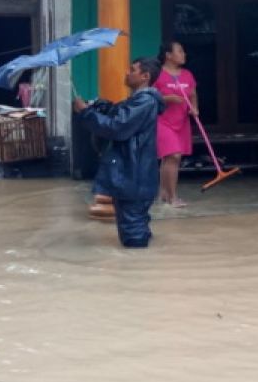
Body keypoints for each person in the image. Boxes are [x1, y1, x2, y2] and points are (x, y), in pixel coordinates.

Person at [73, 57, 164, 248]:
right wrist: (101, 106)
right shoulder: (139, 101)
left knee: (133, 235)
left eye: (132, 70)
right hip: (134, 175)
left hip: (133, 175)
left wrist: (86, 113)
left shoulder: (144, 102)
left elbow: (118, 127)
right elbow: (120, 114)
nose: (127, 73)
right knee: (136, 227)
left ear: (145, 77)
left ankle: (135, 274)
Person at [153, 40, 198, 207]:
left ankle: (164, 193)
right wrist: (167, 98)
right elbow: (149, 97)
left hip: (181, 121)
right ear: (168, 55)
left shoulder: (187, 74)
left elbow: (192, 94)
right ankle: (173, 198)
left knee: (170, 159)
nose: (183, 54)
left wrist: (194, 108)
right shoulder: (157, 74)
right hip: (162, 121)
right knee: (173, 155)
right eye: (179, 51)